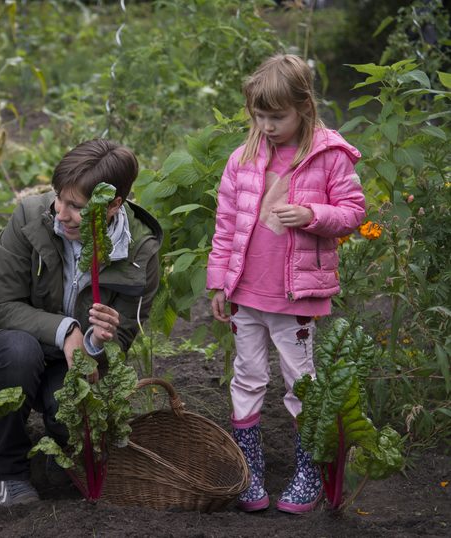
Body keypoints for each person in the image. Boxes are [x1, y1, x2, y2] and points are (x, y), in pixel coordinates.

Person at [0, 139, 162, 506]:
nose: (61, 213)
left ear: (113, 205)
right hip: (10, 343)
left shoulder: (139, 250)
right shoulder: (29, 218)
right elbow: (2, 306)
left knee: (68, 413)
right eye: (59, 198)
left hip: (76, 365)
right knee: (19, 352)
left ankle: (59, 454)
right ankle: (10, 470)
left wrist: (98, 342)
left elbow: (125, 337)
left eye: (76, 207)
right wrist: (68, 330)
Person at [206, 54, 366, 514]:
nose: (268, 125)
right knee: (248, 376)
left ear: (305, 107)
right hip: (245, 293)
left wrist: (313, 216)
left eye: (277, 116)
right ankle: (249, 467)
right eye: (259, 115)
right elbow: (225, 226)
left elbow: (354, 211)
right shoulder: (243, 158)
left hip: (294, 296)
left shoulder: (328, 156)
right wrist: (219, 283)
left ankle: (309, 467)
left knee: (303, 382)